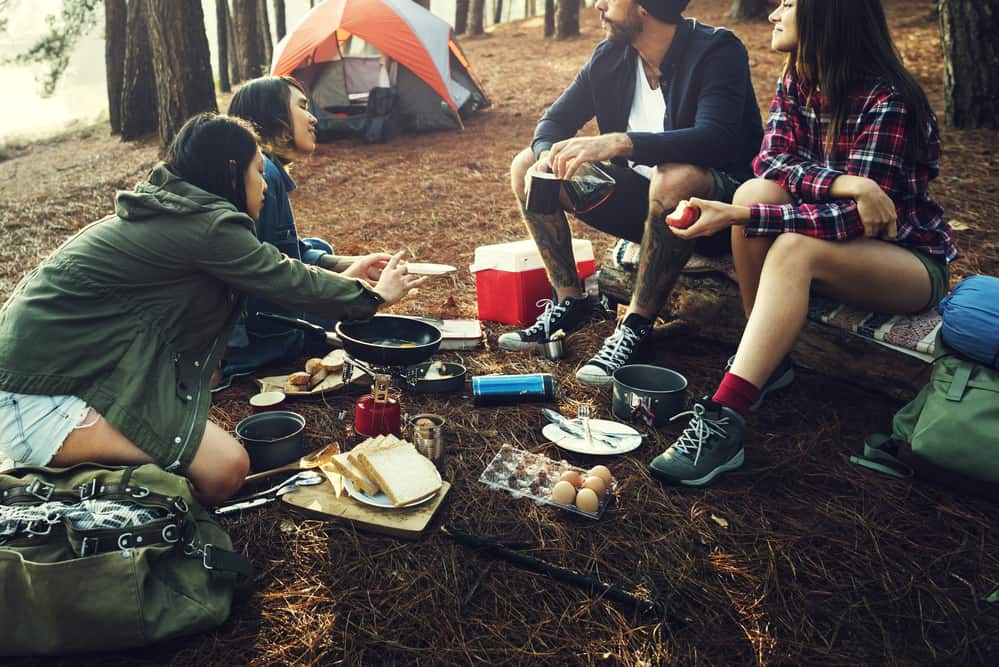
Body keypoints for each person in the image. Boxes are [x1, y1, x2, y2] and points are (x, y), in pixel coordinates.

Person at [0, 113, 426, 504]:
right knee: (225, 470)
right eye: (259, 172)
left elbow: (274, 268)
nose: (265, 185)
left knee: (217, 466)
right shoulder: (205, 226)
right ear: (230, 172)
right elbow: (284, 279)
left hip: (63, 378)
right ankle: (71, 507)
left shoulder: (185, 215)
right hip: (38, 399)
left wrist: (343, 272)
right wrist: (373, 297)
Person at [648, 0, 958, 487]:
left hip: (906, 261)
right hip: (830, 237)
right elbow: (770, 163)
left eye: (788, 3)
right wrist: (846, 183)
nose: (772, 13)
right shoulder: (799, 78)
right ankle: (768, 368)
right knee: (756, 191)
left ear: (828, 14)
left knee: (789, 242)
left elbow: (858, 223)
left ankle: (725, 417)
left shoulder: (889, 99)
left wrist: (743, 215)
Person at [501, 0, 763, 386]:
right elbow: (552, 123)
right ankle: (570, 300)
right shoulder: (612, 57)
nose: (597, 4)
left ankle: (636, 326)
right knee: (527, 166)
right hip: (645, 206)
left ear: (644, 7)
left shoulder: (717, 51)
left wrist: (621, 143)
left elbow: (717, 140)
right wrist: (546, 157)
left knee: (675, 177)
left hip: (717, 213)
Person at [220, 75, 392, 388]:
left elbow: (288, 251)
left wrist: (352, 262)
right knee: (350, 323)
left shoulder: (263, 171)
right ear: (273, 115)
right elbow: (270, 292)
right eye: (302, 107)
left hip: (255, 322)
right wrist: (353, 290)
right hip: (254, 342)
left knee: (319, 246)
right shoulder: (264, 175)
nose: (313, 117)